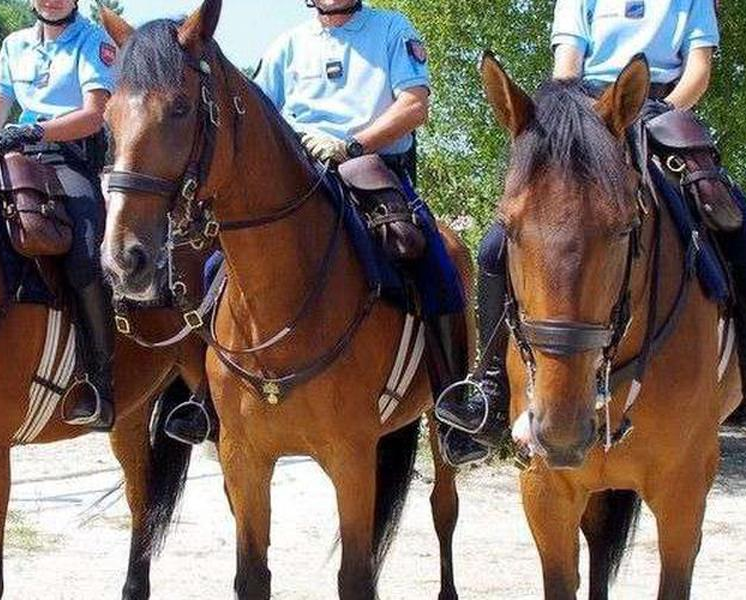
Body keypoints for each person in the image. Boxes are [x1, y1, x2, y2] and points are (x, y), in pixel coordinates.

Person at [436, 0, 737, 460]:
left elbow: (697, 72)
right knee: (497, 245)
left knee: (729, 214)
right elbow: (567, 69)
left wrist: (649, 110)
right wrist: (585, 117)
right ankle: (491, 387)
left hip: (661, 111)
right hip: (586, 116)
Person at [242, 0, 483, 465]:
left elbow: (414, 105)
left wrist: (351, 144)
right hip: (297, 173)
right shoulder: (286, 46)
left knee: (428, 252)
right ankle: (206, 396)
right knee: (218, 258)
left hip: (371, 166)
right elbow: (259, 116)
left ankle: (453, 403)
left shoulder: (393, 29)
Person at [0, 0, 120, 430]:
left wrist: (38, 128)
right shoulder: (15, 44)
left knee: (86, 257)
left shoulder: (94, 40)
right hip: (13, 155)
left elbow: (94, 115)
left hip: (67, 160)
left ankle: (100, 380)